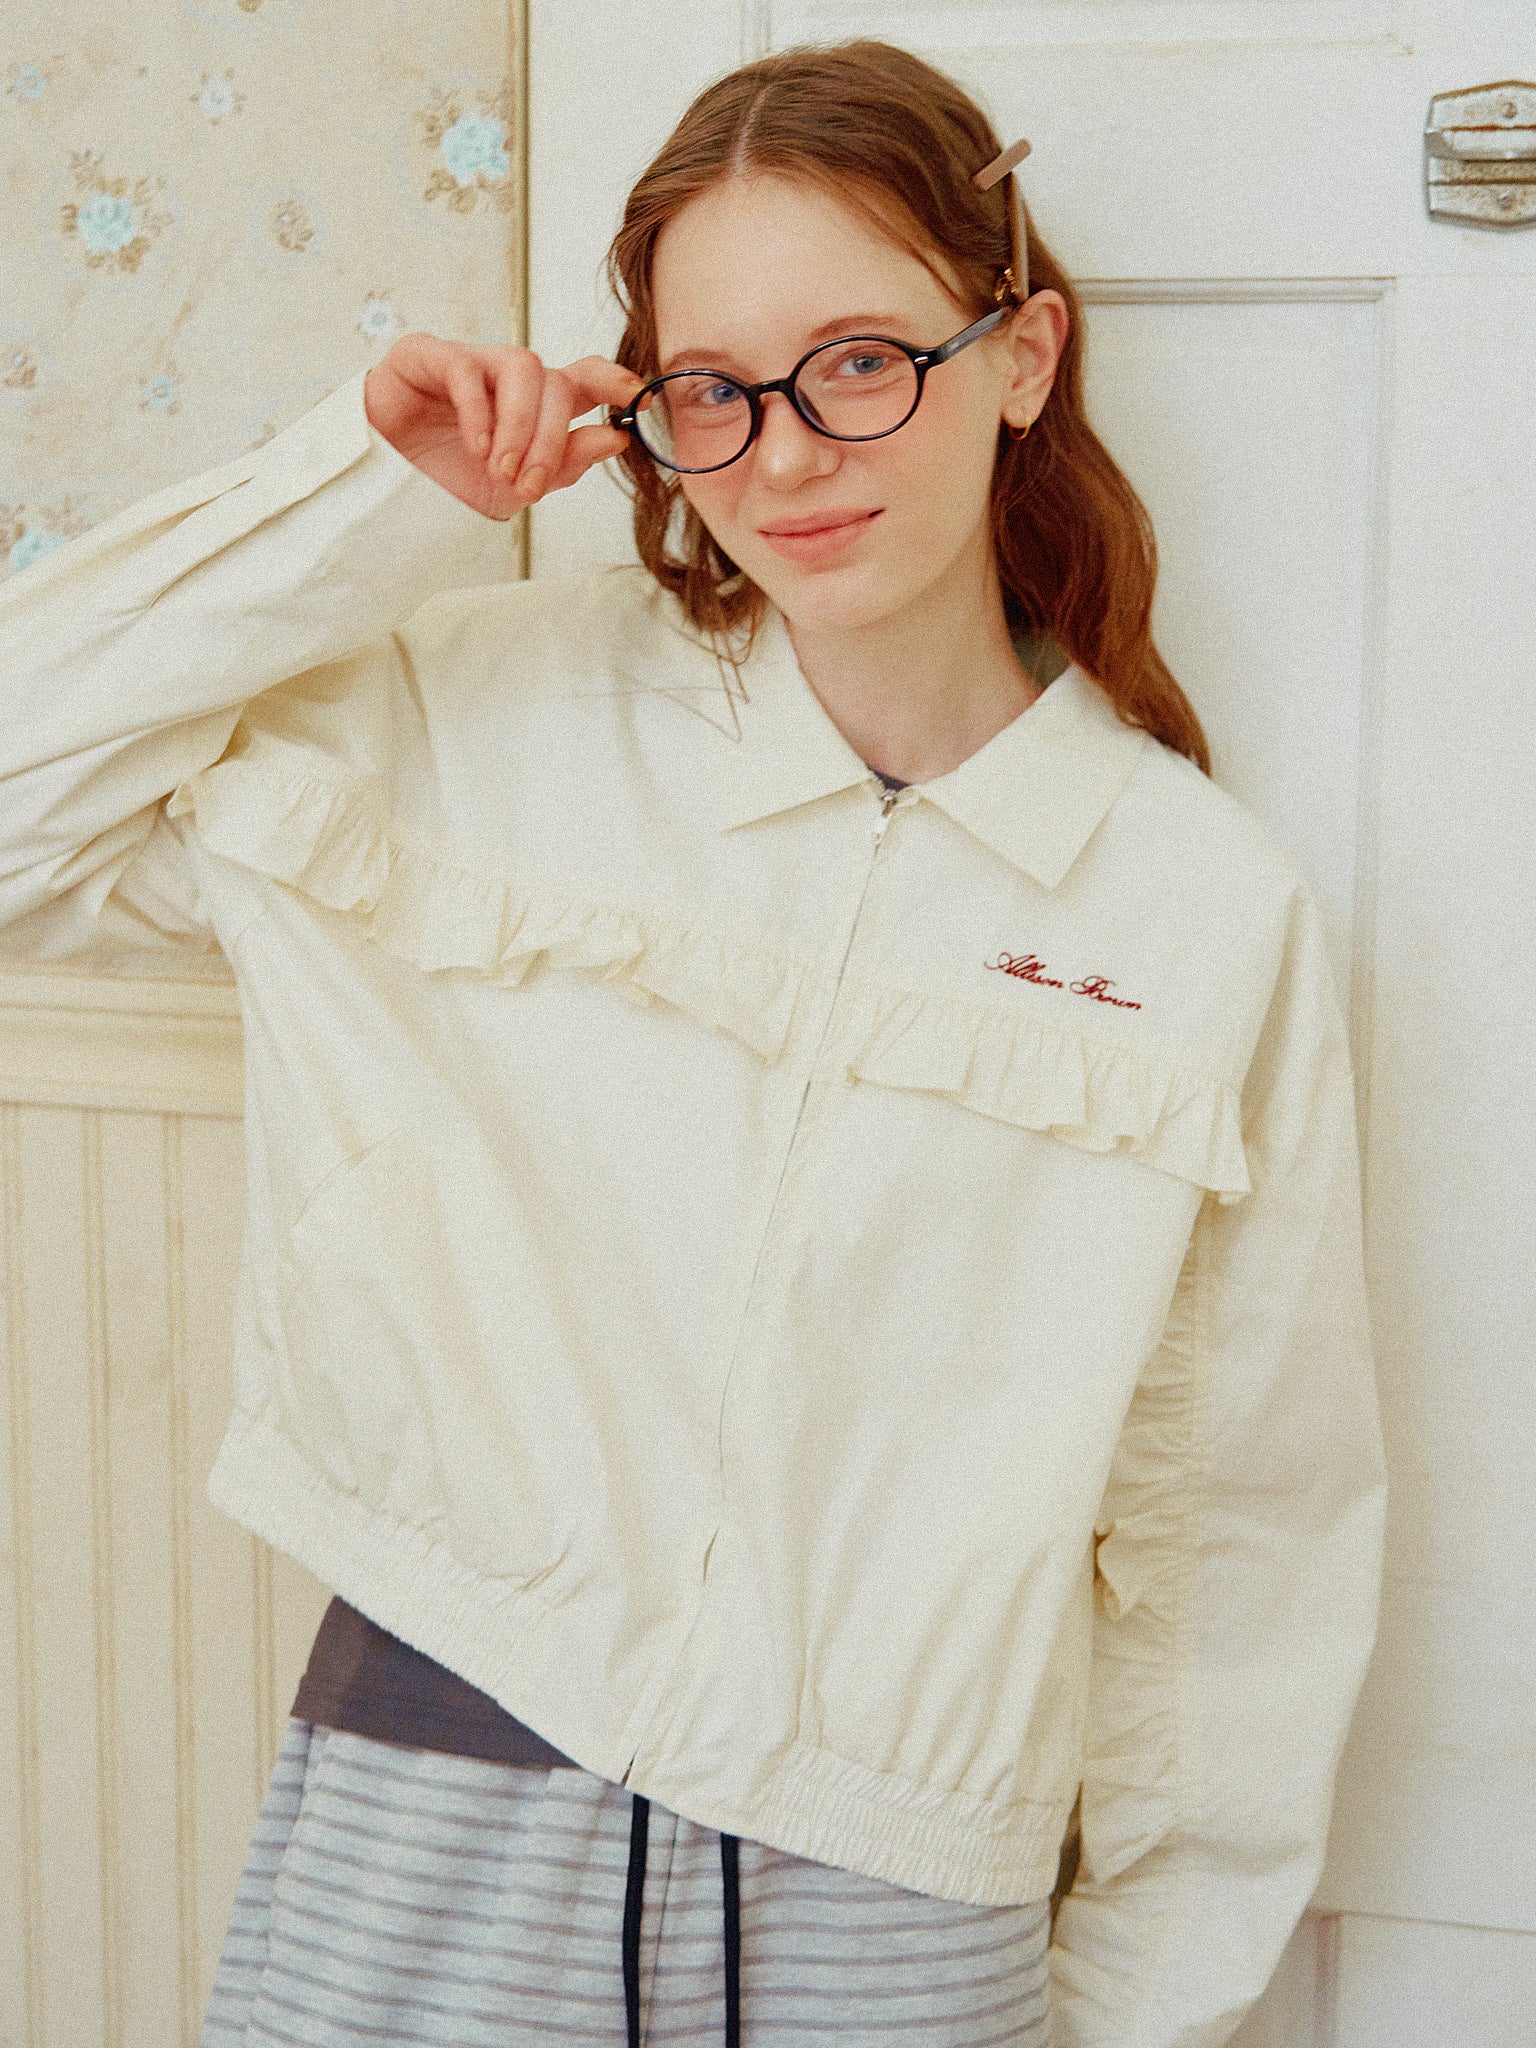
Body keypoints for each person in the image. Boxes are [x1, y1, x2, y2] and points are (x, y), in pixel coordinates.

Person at [0, 36, 1388, 2048]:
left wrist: (1126, 2007)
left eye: (861, 361)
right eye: (713, 390)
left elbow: (1237, 1542)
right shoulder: (471, 723)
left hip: (904, 1911)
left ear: (1022, 354)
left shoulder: (1201, 909)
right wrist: (362, 501)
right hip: (439, 1820)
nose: (788, 457)